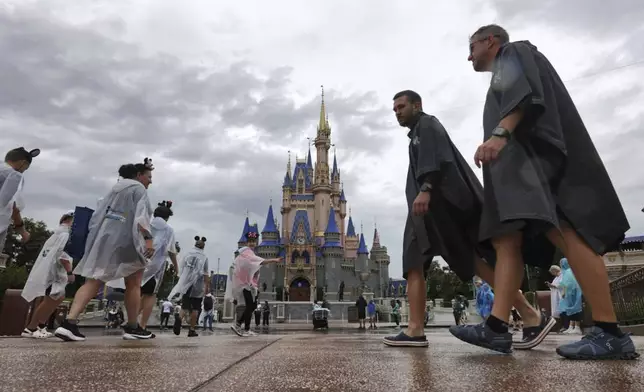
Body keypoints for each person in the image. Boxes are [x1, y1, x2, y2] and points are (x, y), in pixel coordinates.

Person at [454, 23, 638, 359]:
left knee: (563, 232)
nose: (469, 56)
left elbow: (523, 98)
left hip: (536, 168)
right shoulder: (504, 65)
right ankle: (496, 328)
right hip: (518, 175)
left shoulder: (514, 51)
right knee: (505, 240)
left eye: (472, 47)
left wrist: (499, 136)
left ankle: (610, 332)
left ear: (490, 41)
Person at [385, 90, 551, 349]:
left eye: (401, 106)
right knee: (416, 261)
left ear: (417, 105)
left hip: (435, 207)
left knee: (467, 259)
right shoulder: (417, 134)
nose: (397, 112)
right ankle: (415, 329)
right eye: (394, 108)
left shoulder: (427, 125)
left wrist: (426, 189)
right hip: (426, 209)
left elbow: (437, 160)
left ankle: (529, 314)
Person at [55, 159, 155, 342]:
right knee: (134, 281)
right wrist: (148, 239)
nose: (150, 181)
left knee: (94, 280)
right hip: (127, 240)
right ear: (139, 175)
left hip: (103, 239)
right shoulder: (138, 189)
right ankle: (133, 326)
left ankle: (69, 322)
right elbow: (142, 217)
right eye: (149, 177)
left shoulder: (113, 190)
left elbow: (96, 217)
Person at [106, 200, 178, 336]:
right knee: (150, 295)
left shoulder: (146, 225)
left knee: (136, 291)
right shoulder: (168, 230)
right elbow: (172, 251)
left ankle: (131, 321)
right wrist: (176, 266)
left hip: (139, 263)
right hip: (155, 269)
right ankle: (143, 325)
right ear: (167, 217)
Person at [21, 210, 75, 338]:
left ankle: (40, 325)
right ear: (69, 220)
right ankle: (31, 328)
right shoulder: (65, 235)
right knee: (51, 300)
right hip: (56, 274)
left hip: (51, 271)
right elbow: (63, 255)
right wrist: (70, 272)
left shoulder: (57, 233)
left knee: (57, 298)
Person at [227, 243, 282, 337]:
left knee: (252, 306)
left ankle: (242, 327)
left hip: (249, 286)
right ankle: (240, 326)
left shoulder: (241, 259)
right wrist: (274, 259)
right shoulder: (247, 258)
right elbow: (261, 261)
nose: (252, 248)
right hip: (247, 286)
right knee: (250, 306)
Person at [169, 236, 210, 337]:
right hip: (197, 285)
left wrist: (182, 282)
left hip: (187, 284)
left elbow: (182, 268)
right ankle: (191, 330)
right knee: (195, 308)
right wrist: (206, 287)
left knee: (185, 306)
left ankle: (179, 318)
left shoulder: (187, 254)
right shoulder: (204, 257)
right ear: (203, 246)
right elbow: (205, 274)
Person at [1, 147, 40, 251]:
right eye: (25, 168)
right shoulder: (14, 175)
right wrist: (22, 231)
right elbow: (13, 206)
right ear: (23, 163)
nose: (23, 171)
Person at [558, 258, 583, 335]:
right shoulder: (570, 271)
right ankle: (571, 326)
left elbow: (567, 284)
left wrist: (564, 292)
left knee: (575, 309)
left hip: (571, 293)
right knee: (572, 309)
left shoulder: (568, 272)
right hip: (573, 292)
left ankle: (577, 327)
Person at [547, 265, 567, 332]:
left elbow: (563, 285)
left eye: (552, 272)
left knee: (563, 311)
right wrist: (551, 285)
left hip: (561, 296)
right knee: (559, 312)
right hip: (556, 296)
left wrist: (554, 286)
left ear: (554, 271)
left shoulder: (563, 275)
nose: (552, 274)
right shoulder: (556, 278)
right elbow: (554, 286)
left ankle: (565, 326)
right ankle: (562, 326)